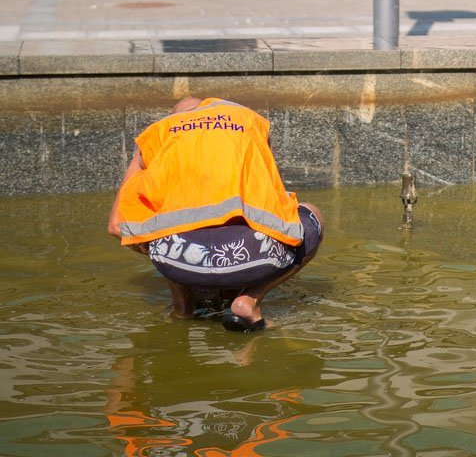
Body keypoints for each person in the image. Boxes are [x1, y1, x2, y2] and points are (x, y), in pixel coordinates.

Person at [107, 96, 323, 331]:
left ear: (174, 117)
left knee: (155, 225)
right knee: (312, 214)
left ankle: (183, 305)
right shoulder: (249, 121)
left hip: (178, 261)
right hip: (252, 256)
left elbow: (116, 226)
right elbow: (274, 203)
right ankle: (249, 300)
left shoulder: (157, 134)